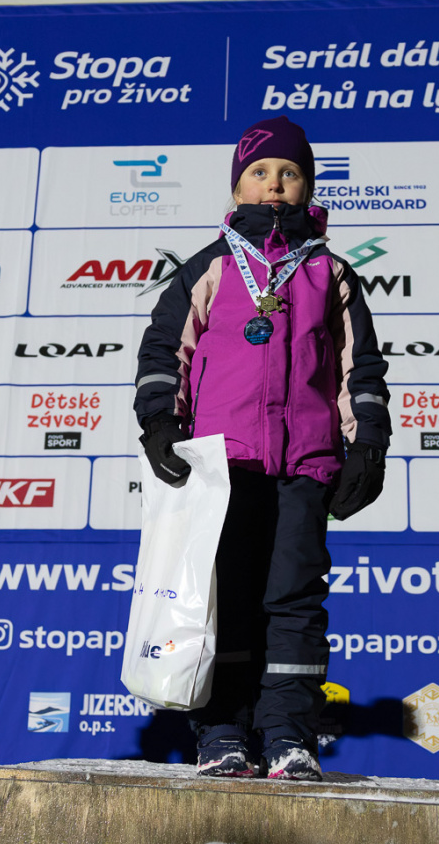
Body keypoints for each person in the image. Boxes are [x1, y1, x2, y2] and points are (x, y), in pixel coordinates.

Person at [133, 116, 390, 782]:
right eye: (260, 172)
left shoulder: (331, 272)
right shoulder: (209, 266)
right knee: (224, 599)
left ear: (308, 188)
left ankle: (288, 736)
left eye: (290, 173)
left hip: (305, 466)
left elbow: (360, 370)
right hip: (223, 469)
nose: (275, 183)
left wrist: (367, 445)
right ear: (237, 187)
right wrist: (161, 426)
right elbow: (164, 353)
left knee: (294, 601)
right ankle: (222, 733)